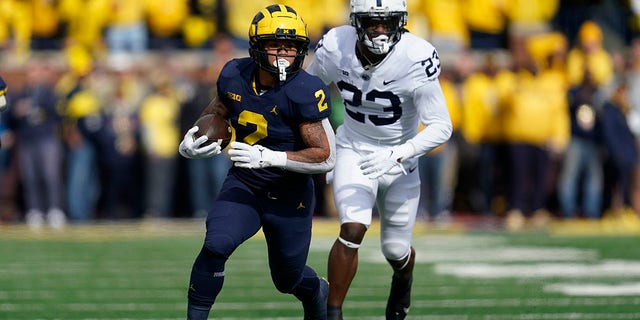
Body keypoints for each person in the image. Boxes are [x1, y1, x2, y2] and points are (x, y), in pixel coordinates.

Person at [178, 4, 336, 320]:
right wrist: (191, 140)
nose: (285, 53)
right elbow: (217, 112)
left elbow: (324, 157)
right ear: (257, 47)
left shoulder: (305, 90)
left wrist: (269, 157)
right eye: (276, 45)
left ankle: (317, 291)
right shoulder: (234, 74)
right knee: (216, 245)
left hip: (289, 195)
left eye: (291, 46)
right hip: (246, 183)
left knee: (287, 279)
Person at [305, 0, 453, 319]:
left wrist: (399, 153)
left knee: (395, 250)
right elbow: (308, 91)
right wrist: (325, 137)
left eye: (388, 22)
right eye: (373, 22)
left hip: (401, 159)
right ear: (357, 23)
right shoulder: (335, 45)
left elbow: (442, 126)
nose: (381, 29)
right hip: (354, 148)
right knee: (353, 227)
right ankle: (332, 313)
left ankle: (403, 279)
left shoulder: (416, 56)